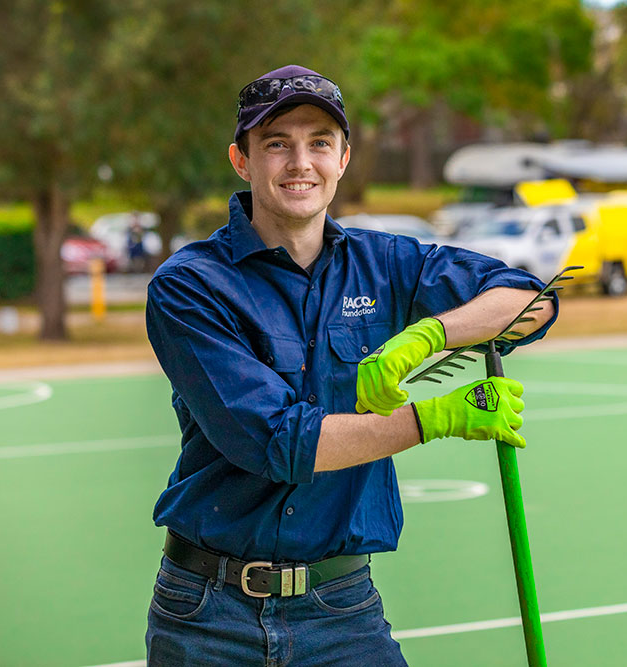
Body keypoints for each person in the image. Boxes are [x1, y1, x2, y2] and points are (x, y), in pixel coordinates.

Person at [143, 65, 557, 666]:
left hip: (343, 611)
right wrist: (433, 419)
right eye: (277, 144)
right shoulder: (191, 286)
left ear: (342, 159)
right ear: (242, 160)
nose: (299, 163)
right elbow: (277, 442)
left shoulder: (386, 262)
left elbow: (532, 302)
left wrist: (432, 333)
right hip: (207, 616)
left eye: (319, 143)